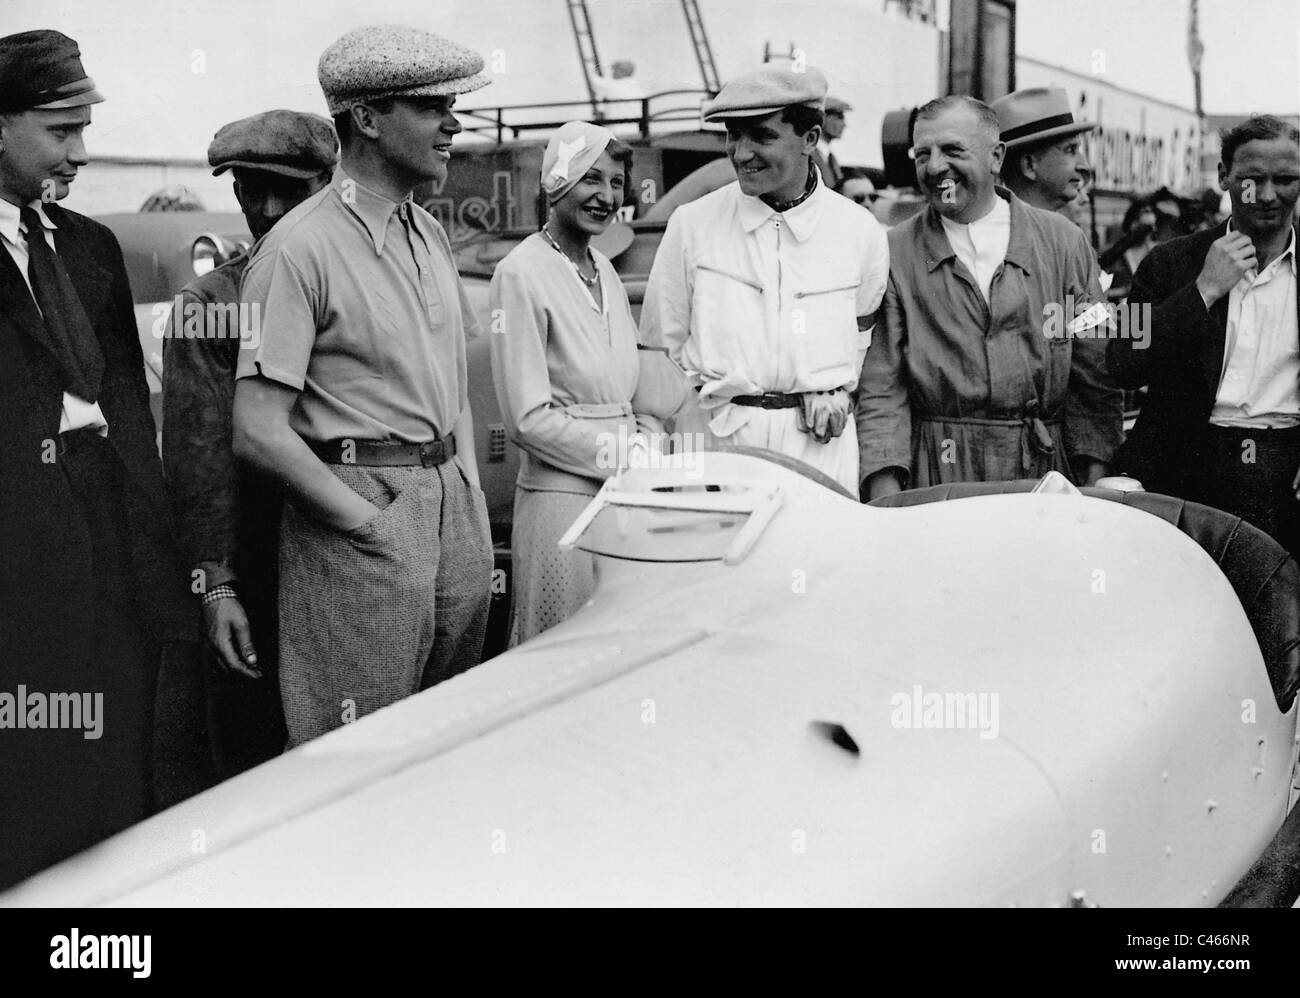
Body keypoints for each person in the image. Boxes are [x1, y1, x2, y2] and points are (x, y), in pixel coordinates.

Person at [231, 25, 494, 748]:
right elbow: (257, 429)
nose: (453, 122)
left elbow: (453, 386)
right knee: (350, 757)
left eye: (453, 105)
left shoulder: (430, 232)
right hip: (361, 519)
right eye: (430, 105)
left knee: (441, 747)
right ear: (368, 119)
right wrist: (368, 527)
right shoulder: (297, 249)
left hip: (451, 510)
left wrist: (465, 484)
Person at [0, 29, 192, 888]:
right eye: (58, 130)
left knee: (117, 769)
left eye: (85, 128)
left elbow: (127, 411)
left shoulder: (88, 247)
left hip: (114, 541)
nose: (80, 153)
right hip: (19, 557)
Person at [162, 110, 336, 780]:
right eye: (248, 188)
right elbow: (196, 457)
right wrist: (216, 584)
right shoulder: (212, 303)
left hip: (360, 547)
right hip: (261, 554)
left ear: (329, 181)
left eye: (286, 190)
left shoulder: (365, 279)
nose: (265, 209)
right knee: (260, 752)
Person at [642, 63, 889, 496]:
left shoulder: (860, 232)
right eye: (733, 135)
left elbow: (861, 344)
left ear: (810, 139)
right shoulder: (692, 226)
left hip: (819, 452)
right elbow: (661, 354)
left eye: (762, 136)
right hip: (716, 448)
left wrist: (838, 391)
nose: (740, 153)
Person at [857, 95, 1122, 499]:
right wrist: (885, 499)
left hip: (1043, 476)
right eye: (921, 154)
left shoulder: (1063, 243)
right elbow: (882, 387)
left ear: (996, 157)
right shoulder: (894, 252)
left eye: (952, 150)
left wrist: (1094, 481)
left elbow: (1094, 373)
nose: (934, 167)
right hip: (938, 476)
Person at [490, 122, 683, 645]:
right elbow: (528, 419)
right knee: (561, 655)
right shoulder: (520, 274)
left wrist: (647, 434)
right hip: (562, 505)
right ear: (557, 180)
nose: (606, 196)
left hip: (622, 501)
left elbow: (630, 385)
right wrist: (627, 457)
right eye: (590, 178)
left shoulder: (604, 268)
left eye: (617, 183)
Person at [1108, 115, 1300, 558]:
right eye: (1252, 179)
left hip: (1283, 468)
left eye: (1285, 179)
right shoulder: (1171, 263)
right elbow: (1123, 362)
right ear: (1223, 178)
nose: (1268, 195)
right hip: (1186, 466)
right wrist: (1204, 290)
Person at [991, 87, 1095, 214]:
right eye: (1070, 150)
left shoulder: (1064, 231)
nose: (1083, 165)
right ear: (1029, 165)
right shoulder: (999, 231)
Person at [814, 95, 851, 191]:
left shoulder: (831, 158)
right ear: (823, 118)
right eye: (839, 117)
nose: (844, 124)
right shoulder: (808, 156)